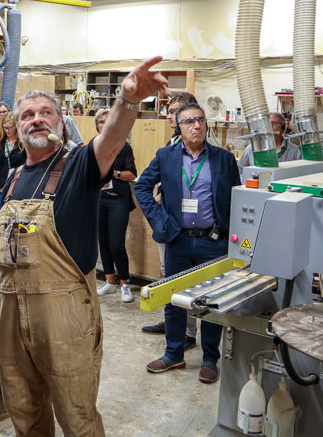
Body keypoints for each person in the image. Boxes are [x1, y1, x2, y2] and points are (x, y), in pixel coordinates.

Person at [0, 58, 170, 436]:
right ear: (16, 127)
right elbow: (3, 252)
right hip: (9, 314)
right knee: (24, 414)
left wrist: (127, 102)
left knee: (77, 418)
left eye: (46, 112)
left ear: (60, 123)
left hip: (63, 318)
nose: (37, 119)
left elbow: (109, 145)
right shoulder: (12, 179)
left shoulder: (76, 166)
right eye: (27, 115)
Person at [134, 103, 240, 384]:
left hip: (212, 242)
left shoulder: (223, 159)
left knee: (212, 303)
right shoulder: (166, 156)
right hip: (178, 240)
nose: (197, 126)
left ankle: (209, 358)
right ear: (178, 128)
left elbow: (237, 197)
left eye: (201, 120)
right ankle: (174, 353)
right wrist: (159, 219)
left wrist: (229, 229)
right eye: (190, 121)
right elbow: (141, 186)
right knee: (174, 299)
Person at [141, 91, 200, 341]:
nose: (170, 116)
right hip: (168, 221)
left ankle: (187, 332)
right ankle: (171, 323)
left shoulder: (201, 147)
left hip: (189, 226)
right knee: (169, 276)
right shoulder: (171, 144)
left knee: (186, 280)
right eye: (169, 111)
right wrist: (159, 201)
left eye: (175, 111)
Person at [93, 108, 138, 303]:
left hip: (117, 198)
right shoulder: (93, 145)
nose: (103, 124)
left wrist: (114, 174)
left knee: (117, 243)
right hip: (98, 199)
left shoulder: (124, 147)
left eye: (107, 121)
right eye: (100, 122)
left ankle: (125, 282)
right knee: (102, 241)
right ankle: (109, 280)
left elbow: (132, 175)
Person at [237, 111, 302, 181]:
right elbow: (239, 169)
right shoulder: (251, 148)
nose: (268, 127)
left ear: (283, 127)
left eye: (272, 123)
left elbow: (300, 173)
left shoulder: (293, 150)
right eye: (266, 124)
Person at [0, 112, 26, 218]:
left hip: (17, 184)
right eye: (5, 128)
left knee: (13, 217)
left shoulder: (23, 143)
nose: (7, 130)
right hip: (0, 184)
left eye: (10, 127)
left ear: (16, 126)